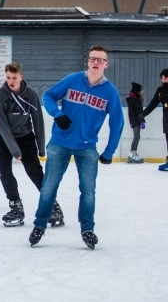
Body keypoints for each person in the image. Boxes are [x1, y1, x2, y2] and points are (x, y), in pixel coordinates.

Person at [28, 45, 124, 250]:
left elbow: (117, 121)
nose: (96, 62)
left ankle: (87, 229)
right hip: (59, 143)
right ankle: (39, 225)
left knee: (88, 190)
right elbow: (48, 96)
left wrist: (109, 151)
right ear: (87, 61)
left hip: (87, 147)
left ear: (106, 64)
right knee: (49, 187)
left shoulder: (110, 92)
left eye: (100, 60)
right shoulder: (73, 80)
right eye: (92, 59)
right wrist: (57, 114)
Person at [0, 62, 63, 228]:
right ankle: (15, 206)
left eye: (14, 78)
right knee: (5, 172)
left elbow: (38, 121)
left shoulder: (31, 95)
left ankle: (53, 206)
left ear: (21, 77)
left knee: (35, 172)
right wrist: (14, 149)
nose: (11, 81)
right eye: (8, 77)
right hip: (3, 138)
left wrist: (40, 145)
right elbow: (2, 125)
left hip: (25, 137)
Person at [126, 82, 146, 164]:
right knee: (136, 136)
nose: (142, 92)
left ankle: (133, 152)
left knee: (137, 136)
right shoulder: (135, 100)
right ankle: (132, 153)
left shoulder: (135, 99)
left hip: (135, 120)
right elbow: (138, 111)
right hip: (135, 120)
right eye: (141, 90)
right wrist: (142, 120)